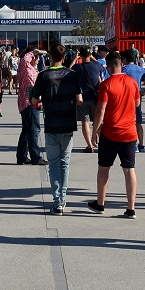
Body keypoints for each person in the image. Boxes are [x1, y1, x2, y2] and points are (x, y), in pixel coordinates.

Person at [29, 44, 82, 214]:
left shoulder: (43, 75)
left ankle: (57, 201)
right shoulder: (72, 75)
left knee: (53, 164)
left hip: (51, 123)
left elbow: (34, 101)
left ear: (49, 56)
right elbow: (79, 99)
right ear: (65, 57)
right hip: (68, 123)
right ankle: (63, 198)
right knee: (65, 164)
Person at [88, 52, 140, 218]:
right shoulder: (132, 82)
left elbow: (100, 110)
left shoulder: (106, 85)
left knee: (104, 168)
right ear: (121, 65)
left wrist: (95, 131)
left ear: (108, 67)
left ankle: (100, 203)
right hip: (130, 133)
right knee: (129, 169)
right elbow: (137, 103)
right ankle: (131, 208)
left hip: (110, 133)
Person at [17, 45, 47, 166]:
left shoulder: (34, 70)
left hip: (31, 102)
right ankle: (36, 157)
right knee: (34, 130)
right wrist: (33, 52)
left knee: (27, 130)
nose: (38, 60)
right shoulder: (26, 67)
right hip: (28, 103)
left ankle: (22, 156)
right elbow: (24, 60)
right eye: (37, 57)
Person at [76, 47, 106, 152]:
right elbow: (102, 67)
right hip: (95, 97)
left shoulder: (77, 67)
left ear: (81, 56)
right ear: (90, 55)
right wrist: (92, 56)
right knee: (98, 121)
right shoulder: (97, 65)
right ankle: (101, 142)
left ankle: (89, 145)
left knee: (85, 121)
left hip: (82, 97)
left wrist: (75, 58)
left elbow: (68, 69)